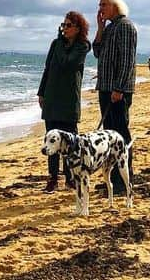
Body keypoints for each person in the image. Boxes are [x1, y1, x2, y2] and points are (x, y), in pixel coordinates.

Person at [37, 10, 91, 192]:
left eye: (69, 25)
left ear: (78, 28)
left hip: (68, 99)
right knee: (51, 139)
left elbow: (68, 63)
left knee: (70, 141)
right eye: (63, 25)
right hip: (51, 96)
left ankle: (70, 177)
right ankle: (52, 178)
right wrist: (41, 92)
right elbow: (48, 68)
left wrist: (61, 43)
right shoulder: (55, 44)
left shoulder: (82, 46)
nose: (64, 28)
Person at [93, 0, 137, 194]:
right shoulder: (110, 28)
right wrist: (100, 28)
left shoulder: (126, 26)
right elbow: (97, 52)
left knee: (120, 135)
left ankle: (124, 181)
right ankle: (113, 181)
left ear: (115, 5)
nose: (100, 8)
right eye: (100, 4)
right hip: (105, 87)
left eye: (103, 4)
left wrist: (119, 87)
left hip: (117, 90)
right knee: (109, 136)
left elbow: (127, 61)